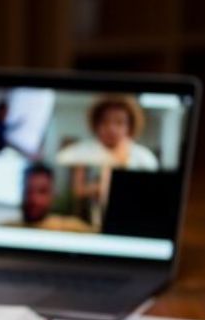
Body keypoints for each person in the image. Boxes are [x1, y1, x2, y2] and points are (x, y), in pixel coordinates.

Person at [56, 95, 159, 225]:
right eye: (105, 122)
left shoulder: (143, 158)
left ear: (130, 126)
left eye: (119, 122)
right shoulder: (81, 152)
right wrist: (100, 187)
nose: (111, 128)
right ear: (96, 124)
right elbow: (78, 189)